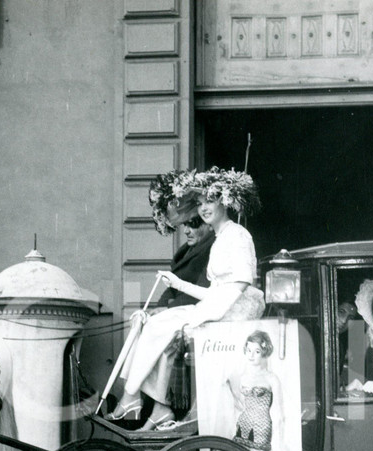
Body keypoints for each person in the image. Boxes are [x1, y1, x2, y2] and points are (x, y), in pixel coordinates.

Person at [107, 167, 265, 430]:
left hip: (233, 313)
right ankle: (143, 401)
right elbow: (215, 293)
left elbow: (238, 286)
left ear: (224, 202)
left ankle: (132, 396)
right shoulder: (221, 237)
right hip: (219, 307)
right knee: (158, 324)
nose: (204, 208)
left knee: (162, 325)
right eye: (200, 203)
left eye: (210, 201)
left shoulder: (238, 235)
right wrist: (179, 284)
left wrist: (201, 314)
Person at [226, 330, 283, 451]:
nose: (251, 355)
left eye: (256, 351)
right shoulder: (242, 376)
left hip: (262, 426)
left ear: (264, 352)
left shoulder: (271, 378)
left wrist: (279, 435)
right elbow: (239, 404)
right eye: (249, 350)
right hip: (243, 424)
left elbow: (278, 409)